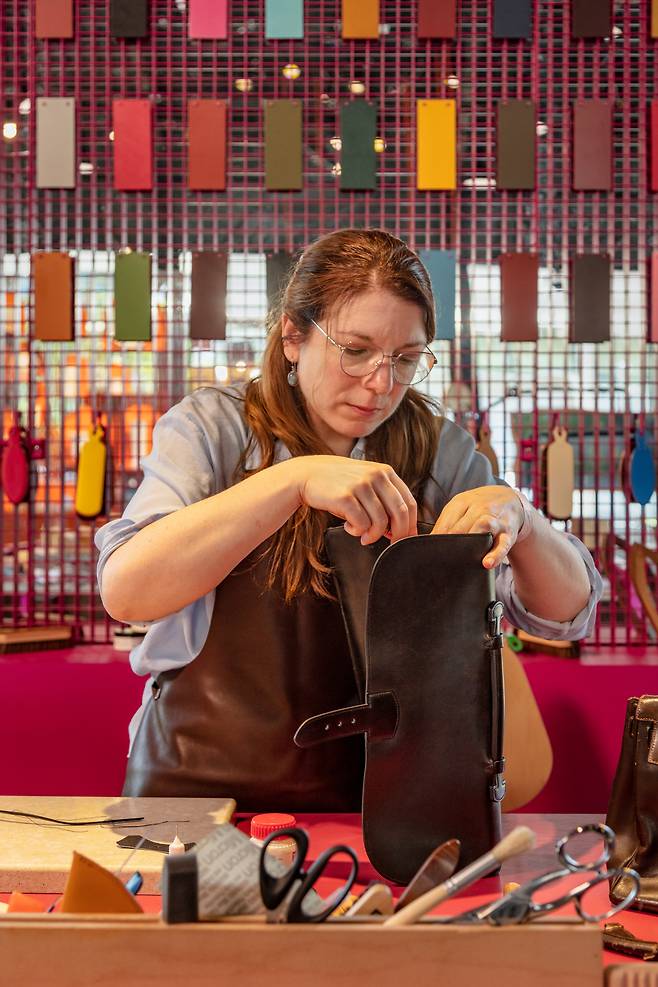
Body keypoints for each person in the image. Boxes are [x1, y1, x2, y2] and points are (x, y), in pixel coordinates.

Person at [96, 228, 602, 811]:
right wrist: (293, 481)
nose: (381, 384)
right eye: (355, 351)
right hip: (199, 797)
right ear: (293, 335)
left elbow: (567, 616)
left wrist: (525, 522)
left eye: (406, 360)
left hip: (384, 806)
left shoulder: (439, 453)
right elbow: (128, 592)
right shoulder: (212, 431)